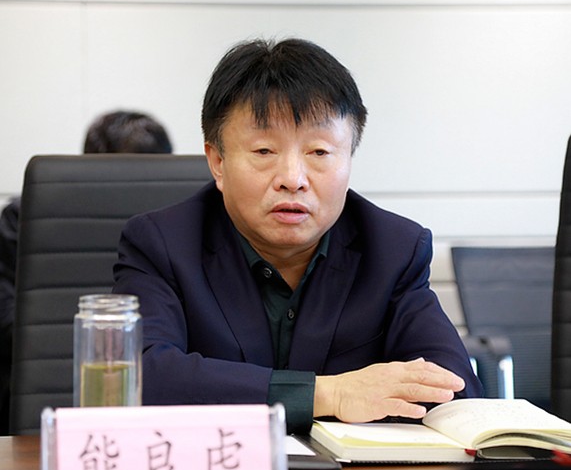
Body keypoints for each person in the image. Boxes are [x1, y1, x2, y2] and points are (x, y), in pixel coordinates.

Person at [112, 38, 482, 434]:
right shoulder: (161, 245)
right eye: (264, 151)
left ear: (349, 158)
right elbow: (136, 378)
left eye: (319, 152)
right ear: (218, 161)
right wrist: (328, 394)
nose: (293, 179)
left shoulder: (393, 250)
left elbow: (456, 391)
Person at [0, 109, 173, 433]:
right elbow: (8, 319)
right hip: (37, 419)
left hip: (165, 418)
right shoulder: (24, 219)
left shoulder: (182, 233)